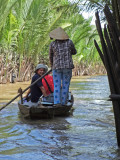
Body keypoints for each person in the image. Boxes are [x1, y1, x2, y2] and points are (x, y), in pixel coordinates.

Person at [49, 27, 77, 107]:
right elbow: (74, 52)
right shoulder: (69, 42)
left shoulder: (53, 44)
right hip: (67, 67)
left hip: (56, 67)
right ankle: (63, 103)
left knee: (57, 85)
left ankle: (57, 102)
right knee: (66, 85)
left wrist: (52, 65)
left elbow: (50, 56)